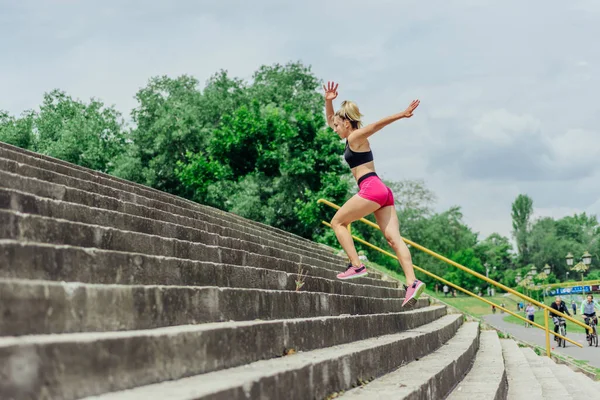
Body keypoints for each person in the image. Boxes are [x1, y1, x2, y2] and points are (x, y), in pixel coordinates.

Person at [323, 81, 424, 307]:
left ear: (347, 125)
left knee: (338, 222)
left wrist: (402, 114)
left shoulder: (355, 137)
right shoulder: (349, 134)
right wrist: (328, 100)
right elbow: (331, 119)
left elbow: (377, 125)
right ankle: (412, 282)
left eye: (338, 126)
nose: (335, 129)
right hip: (382, 191)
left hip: (371, 188)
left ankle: (356, 264)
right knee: (393, 240)